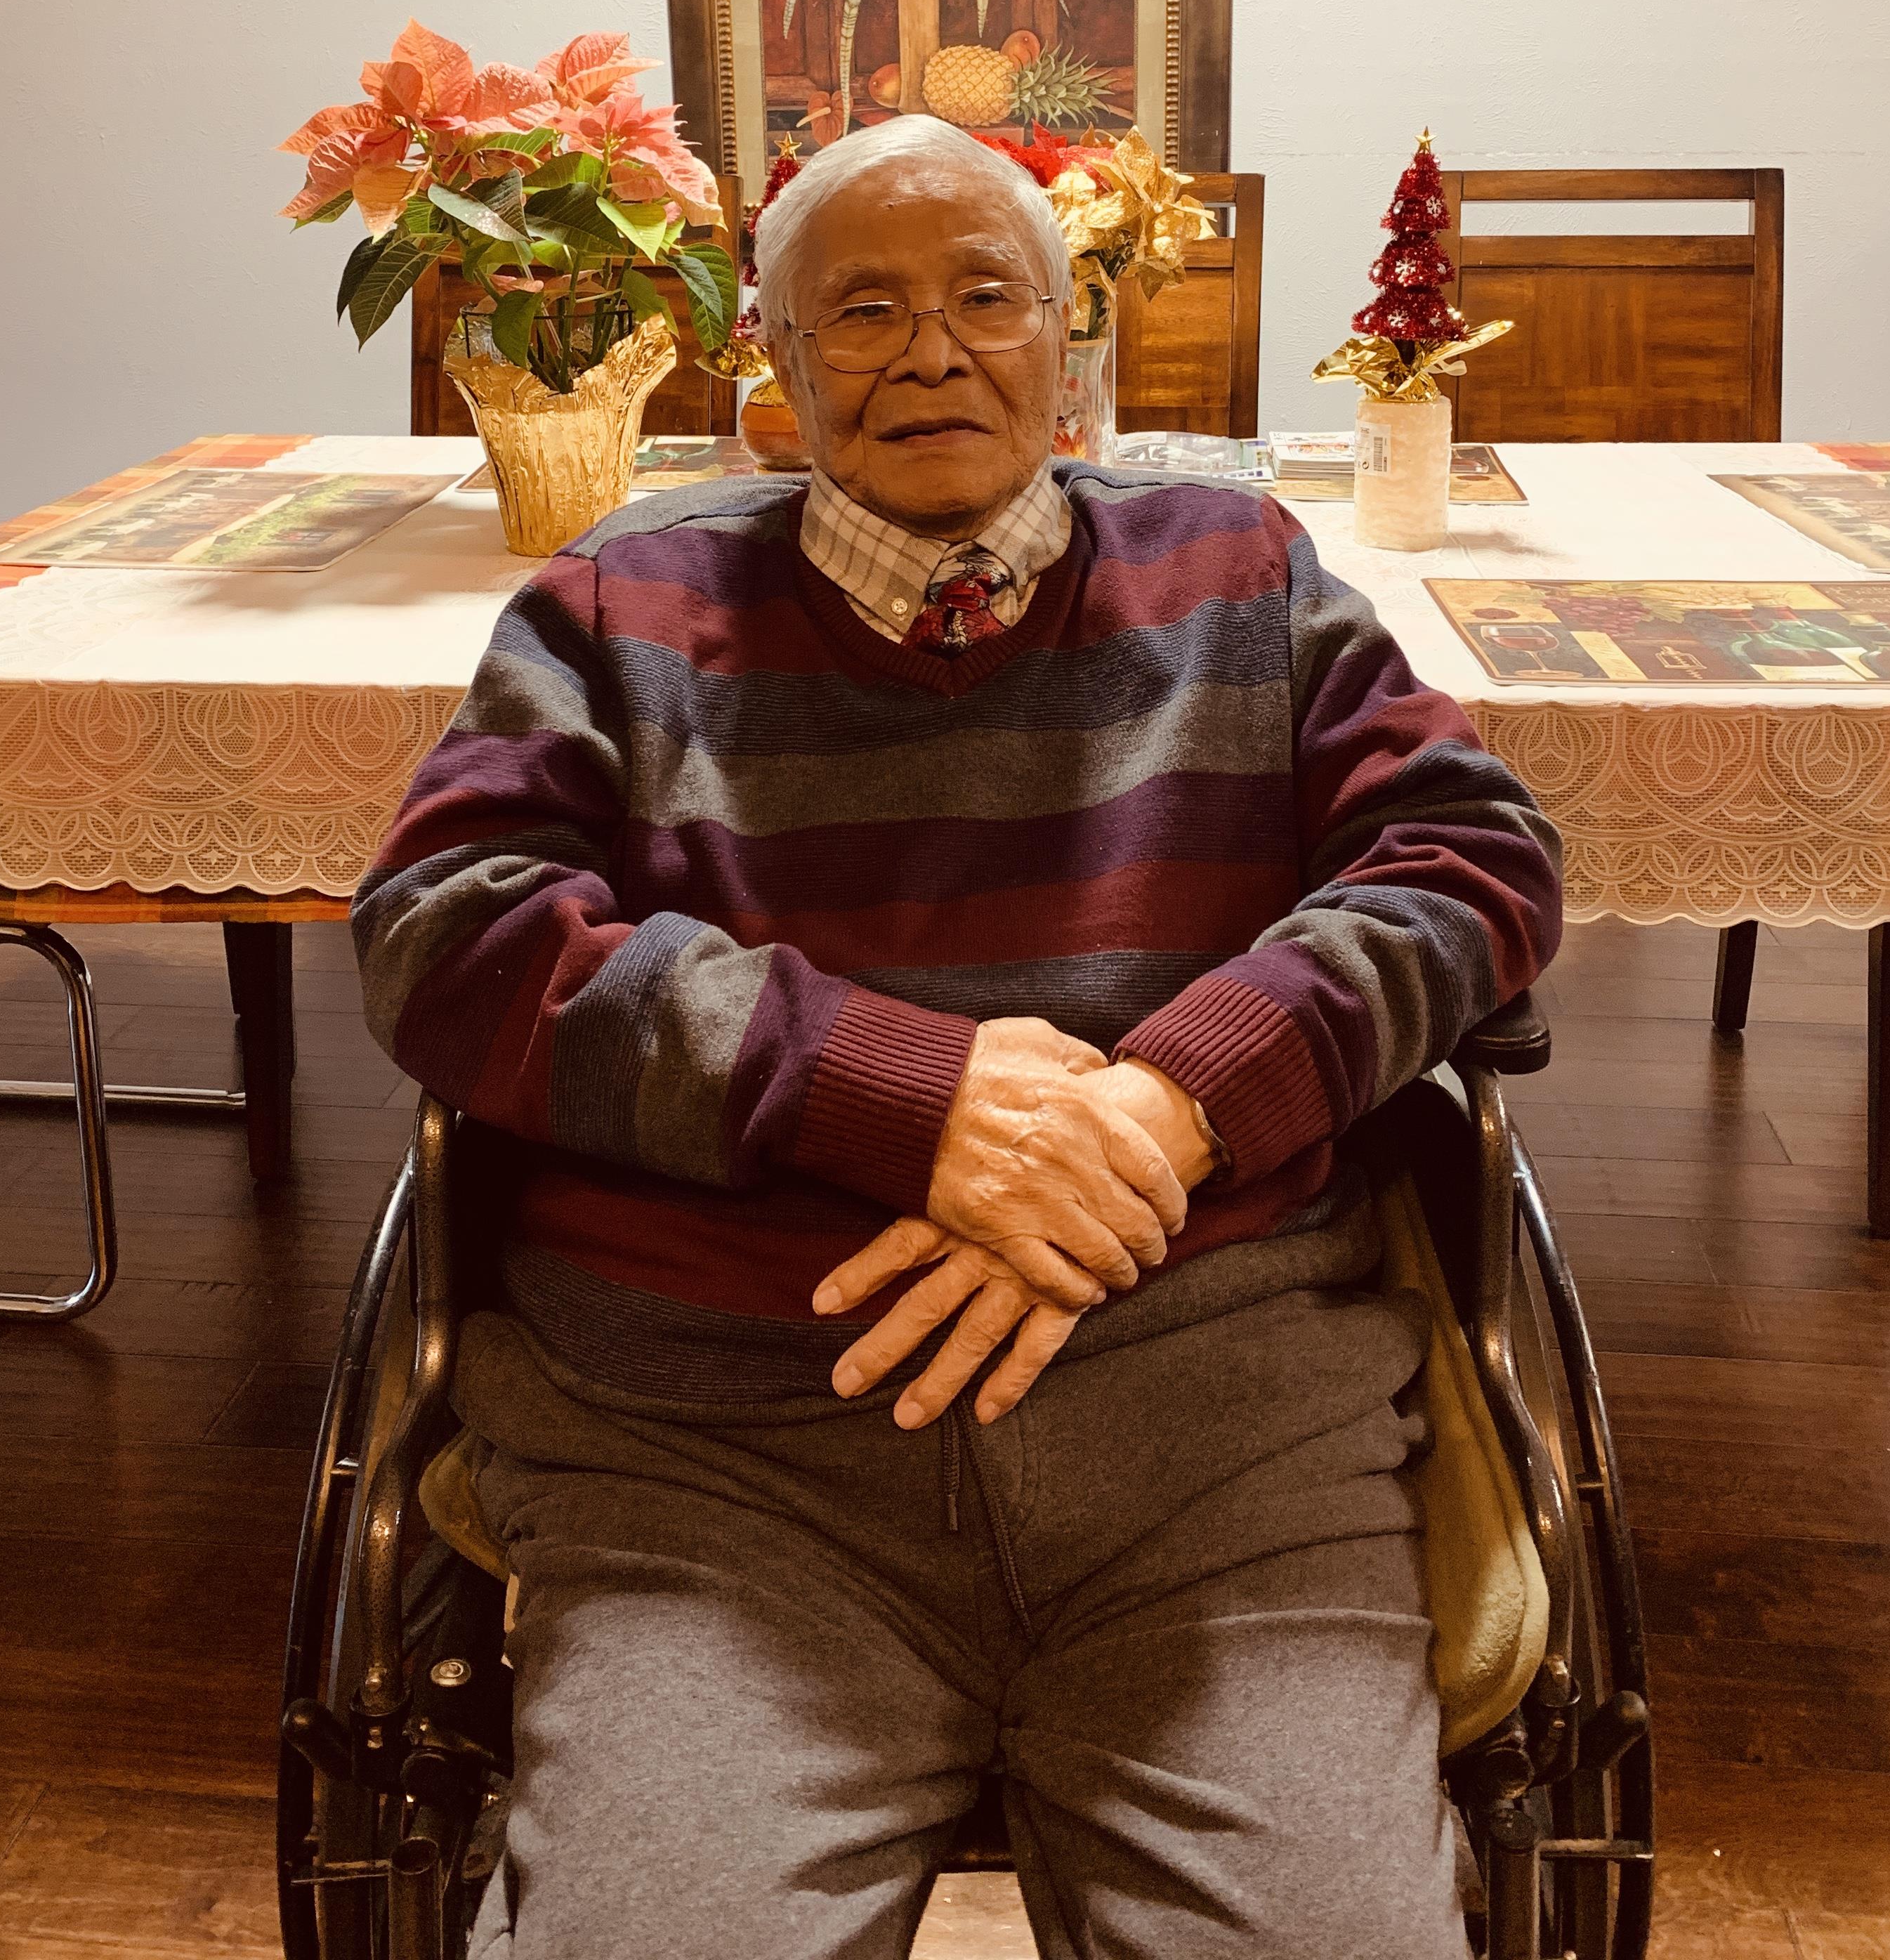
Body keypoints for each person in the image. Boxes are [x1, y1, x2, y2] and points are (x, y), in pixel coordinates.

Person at [353, 116, 1563, 1960]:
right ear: (771, 368)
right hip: (717, 1464)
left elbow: (1474, 851)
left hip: (1210, 1444)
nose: (931, 349)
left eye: (985, 297)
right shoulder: (615, 611)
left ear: (1071, 348)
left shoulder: (1238, 576)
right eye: (862, 311)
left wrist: (1175, 1101)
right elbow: (446, 936)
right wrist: (882, 1092)